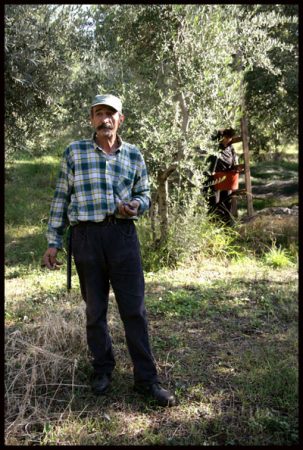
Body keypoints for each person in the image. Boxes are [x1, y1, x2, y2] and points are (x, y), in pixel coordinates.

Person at [42, 94, 176, 407]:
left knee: (134, 310)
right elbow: (61, 198)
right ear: (91, 119)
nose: (104, 119)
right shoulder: (74, 152)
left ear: (120, 119)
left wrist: (136, 205)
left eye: (110, 114)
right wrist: (53, 240)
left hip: (122, 237)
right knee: (95, 311)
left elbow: (144, 194)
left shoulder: (133, 154)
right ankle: (102, 369)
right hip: (85, 239)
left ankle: (147, 379)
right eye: (98, 113)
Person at [203, 128, 242, 223]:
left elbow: (234, 161)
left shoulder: (230, 148)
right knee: (213, 203)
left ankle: (225, 225)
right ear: (222, 137)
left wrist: (236, 168)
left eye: (230, 137)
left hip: (227, 180)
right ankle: (213, 224)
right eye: (227, 137)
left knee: (226, 202)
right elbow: (210, 166)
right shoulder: (214, 148)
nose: (229, 140)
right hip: (214, 180)